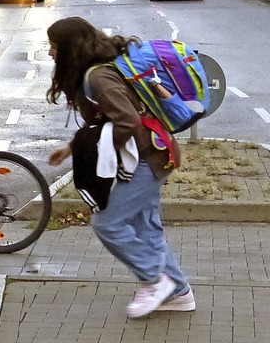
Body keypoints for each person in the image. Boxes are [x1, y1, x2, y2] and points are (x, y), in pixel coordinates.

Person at [45, 17, 195, 318]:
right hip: (156, 151)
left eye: (53, 47)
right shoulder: (101, 70)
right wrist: (72, 148)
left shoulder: (98, 78)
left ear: (70, 49)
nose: (50, 53)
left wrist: (98, 150)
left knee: (108, 224)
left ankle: (157, 281)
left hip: (146, 158)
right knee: (145, 228)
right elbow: (102, 120)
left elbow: (127, 121)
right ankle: (179, 293)